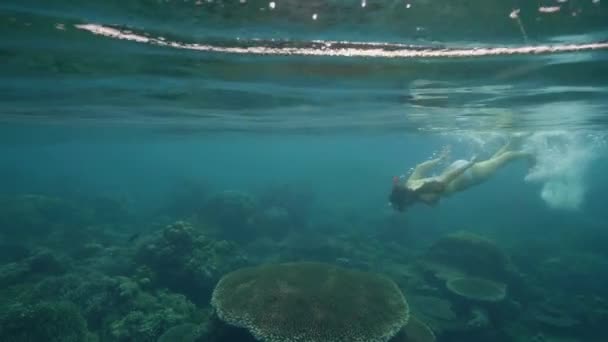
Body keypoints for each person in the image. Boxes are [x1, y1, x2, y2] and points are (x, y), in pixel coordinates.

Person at [389, 142, 535, 212]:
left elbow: (447, 178)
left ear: (405, 199)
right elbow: (420, 167)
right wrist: (439, 160)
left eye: (405, 204)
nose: (407, 206)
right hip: (460, 169)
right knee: (493, 162)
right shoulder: (411, 184)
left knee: (502, 160)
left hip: (468, 175)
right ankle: (516, 140)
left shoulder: (423, 190)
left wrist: (469, 164)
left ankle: (529, 154)